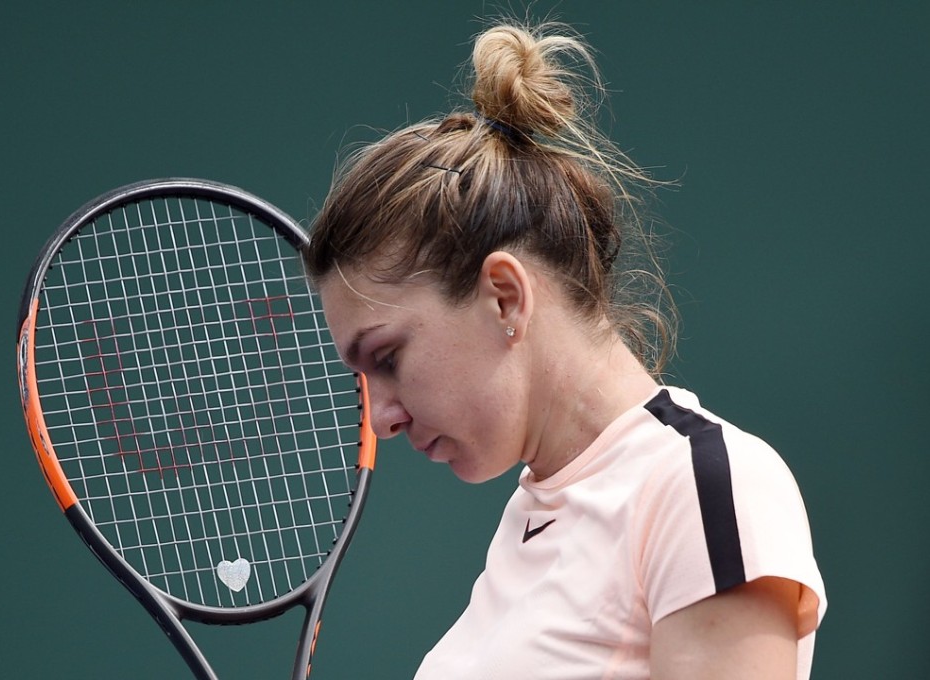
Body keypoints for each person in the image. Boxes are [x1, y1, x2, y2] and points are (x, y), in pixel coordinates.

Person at [304, 19, 826, 680]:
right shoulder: (532, 512)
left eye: (387, 358)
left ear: (504, 297)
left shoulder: (703, 486)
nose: (379, 417)